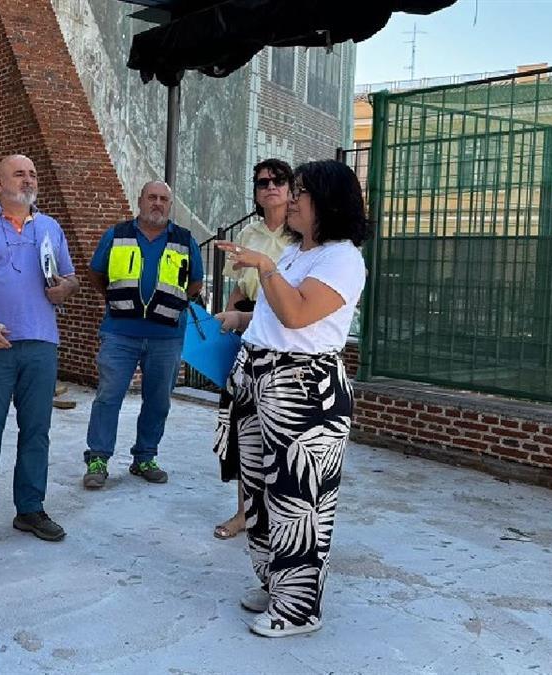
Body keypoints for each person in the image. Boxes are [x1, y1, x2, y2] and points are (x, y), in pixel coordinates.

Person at [212, 159, 370, 638]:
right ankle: (275, 583)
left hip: (305, 392)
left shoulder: (342, 258)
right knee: (260, 492)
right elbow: (273, 315)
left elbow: (299, 315)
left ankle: (299, 608)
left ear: (328, 202)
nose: (292, 198)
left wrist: (263, 265)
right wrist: (241, 321)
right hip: (261, 379)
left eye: (301, 191)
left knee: (299, 499)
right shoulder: (297, 253)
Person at [0, 154, 80, 547]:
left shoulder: (50, 227)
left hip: (41, 341)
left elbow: (70, 277)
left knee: (37, 430)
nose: (28, 180)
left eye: (32, 174)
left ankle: (30, 509)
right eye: (19, 173)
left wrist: (65, 288)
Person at [81, 180, 203, 488]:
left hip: (167, 335)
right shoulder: (117, 235)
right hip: (120, 332)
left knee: (158, 400)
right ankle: (98, 458)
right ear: (141, 200)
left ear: (169, 205)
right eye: (152, 197)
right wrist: (118, 300)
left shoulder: (185, 240)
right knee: (108, 396)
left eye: (164, 199)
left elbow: (196, 284)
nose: (157, 203)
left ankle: (145, 456)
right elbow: (96, 273)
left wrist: (171, 305)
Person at [213, 159, 296, 540]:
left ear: (292, 188)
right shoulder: (250, 232)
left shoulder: (303, 238)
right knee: (242, 431)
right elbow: (242, 289)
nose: (270, 187)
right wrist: (230, 313)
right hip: (248, 341)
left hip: (286, 345)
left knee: (282, 439)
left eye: (278, 180)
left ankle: (281, 518)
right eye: (262, 181)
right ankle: (244, 511)